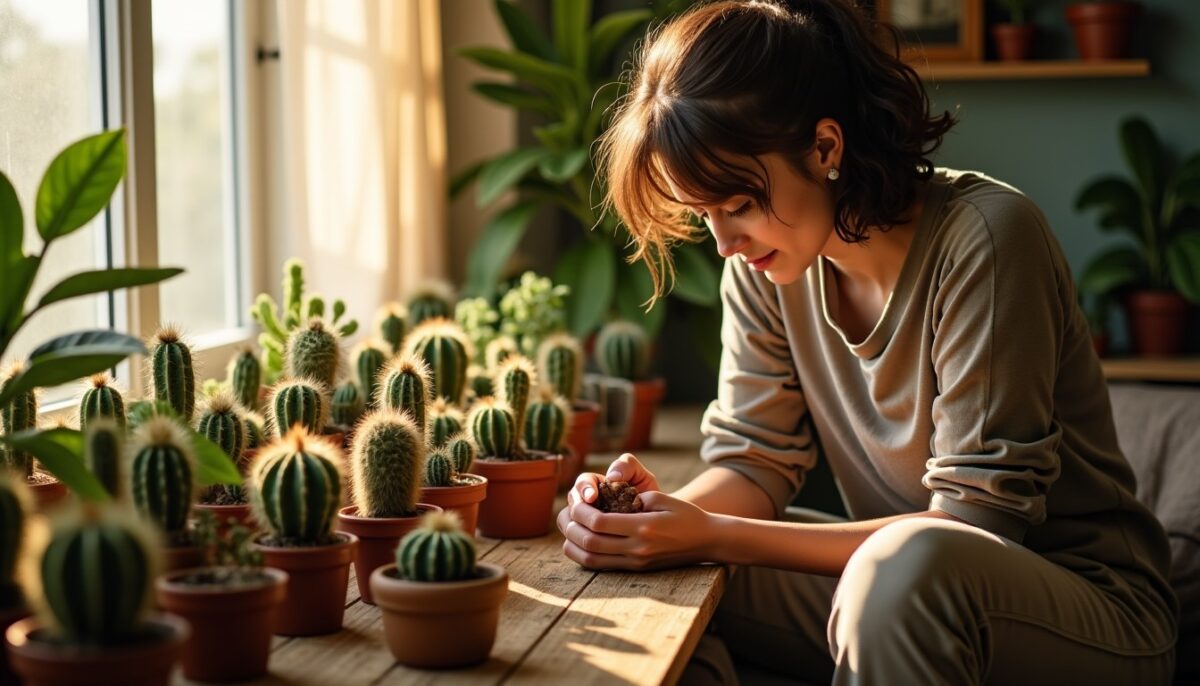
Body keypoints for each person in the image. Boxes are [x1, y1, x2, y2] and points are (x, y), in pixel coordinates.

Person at [555, 1, 1179, 683]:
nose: (725, 243)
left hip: (1092, 612)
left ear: (825, 147)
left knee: (897, 574)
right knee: (673, 574)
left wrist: (713, 532)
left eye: (737, 205)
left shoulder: (988, 240)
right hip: (899, 586)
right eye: (704, 214)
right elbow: (755, 462)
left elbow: (973, 527)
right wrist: (650, 520)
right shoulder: (771, 264)